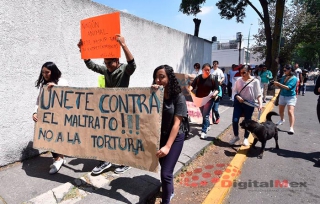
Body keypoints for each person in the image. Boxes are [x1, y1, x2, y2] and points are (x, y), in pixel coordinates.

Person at [77, 34, 136, 175]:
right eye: (105, 63)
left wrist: (123, 45)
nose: (107, 66)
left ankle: (125, 162)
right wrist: (82, 50)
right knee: (105, 135)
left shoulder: (124, 71)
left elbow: (132, 65)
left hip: (122, 108)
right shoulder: (106, 70)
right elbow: (91, 65)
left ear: (116, 60)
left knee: (121, 136)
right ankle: (105, 161)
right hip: (108, 109)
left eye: (110, 63)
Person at [151, 65, 187, 204]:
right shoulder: (155, 94)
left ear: (169, 78)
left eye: (162, 76)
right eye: (156, 76)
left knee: (165, 173)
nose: (158, 80)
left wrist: (167, 146)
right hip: (160, 135)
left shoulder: (178, 97)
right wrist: (152, 94)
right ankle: (170, 190)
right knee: (165, 167)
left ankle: (166, 201)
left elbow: (176, 124)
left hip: (175, 136)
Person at [33, 62, 69, 174]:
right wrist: (35, 112)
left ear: (53, 71)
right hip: (47, 117)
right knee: (49, 137)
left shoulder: (62, 81)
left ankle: (59, 158)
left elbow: (68, 95)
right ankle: (58, 158)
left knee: (58, 137)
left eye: (47, 72)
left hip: (60, 116)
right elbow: (39, 100)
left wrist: (56, 88)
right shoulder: (44, 84)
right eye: (43, 72)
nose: (45, 74)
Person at [229, 65, 262, 146]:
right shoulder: (238, 81)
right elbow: (234, 91)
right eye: (241, 73)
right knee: (235, 120)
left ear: (249, 71)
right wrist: (237, 96)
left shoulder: (255, 81)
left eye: (244, 72)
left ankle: (246, 138)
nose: (242, 75)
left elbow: (258, 94)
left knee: (248, 122)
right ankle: (236, 136)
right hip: (238, 103)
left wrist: (260, 104)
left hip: (249, 104)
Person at [189, 63, 219, 139]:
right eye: (205, 70)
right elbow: (193, 85)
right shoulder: (198, 78)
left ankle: (203, 131)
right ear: (202, 70)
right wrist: (189, 89)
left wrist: (215, 93)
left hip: (209, 99)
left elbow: (217, 89)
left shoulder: (213, 78)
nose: (207, 71)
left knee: (206, 115)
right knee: (203, 114)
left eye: (209, 70)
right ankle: (208, 125)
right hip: (199, 99)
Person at [273, 64, 298, 134]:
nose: (284, 71)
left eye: (285, 70)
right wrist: (276, 84)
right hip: (282, 96)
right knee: (281, 111)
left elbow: (288, 88)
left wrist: (278, 84)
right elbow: (281, 87)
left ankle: (291, 128)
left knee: (290, 112)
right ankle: (281, 119)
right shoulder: (284, 77)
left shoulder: (294, 78)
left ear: (290, 70)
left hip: (291, 97)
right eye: (283, 70)